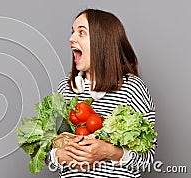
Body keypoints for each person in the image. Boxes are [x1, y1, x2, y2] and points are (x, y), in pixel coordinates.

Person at [47, 9, 157, 177]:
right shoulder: (65, 88)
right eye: (73, 31)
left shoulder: (133, 89)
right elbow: (45, 150)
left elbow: (147, 159)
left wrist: (110, 152)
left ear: (102, 41)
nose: (71, 38)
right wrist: (59, 155)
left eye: (81, 32)